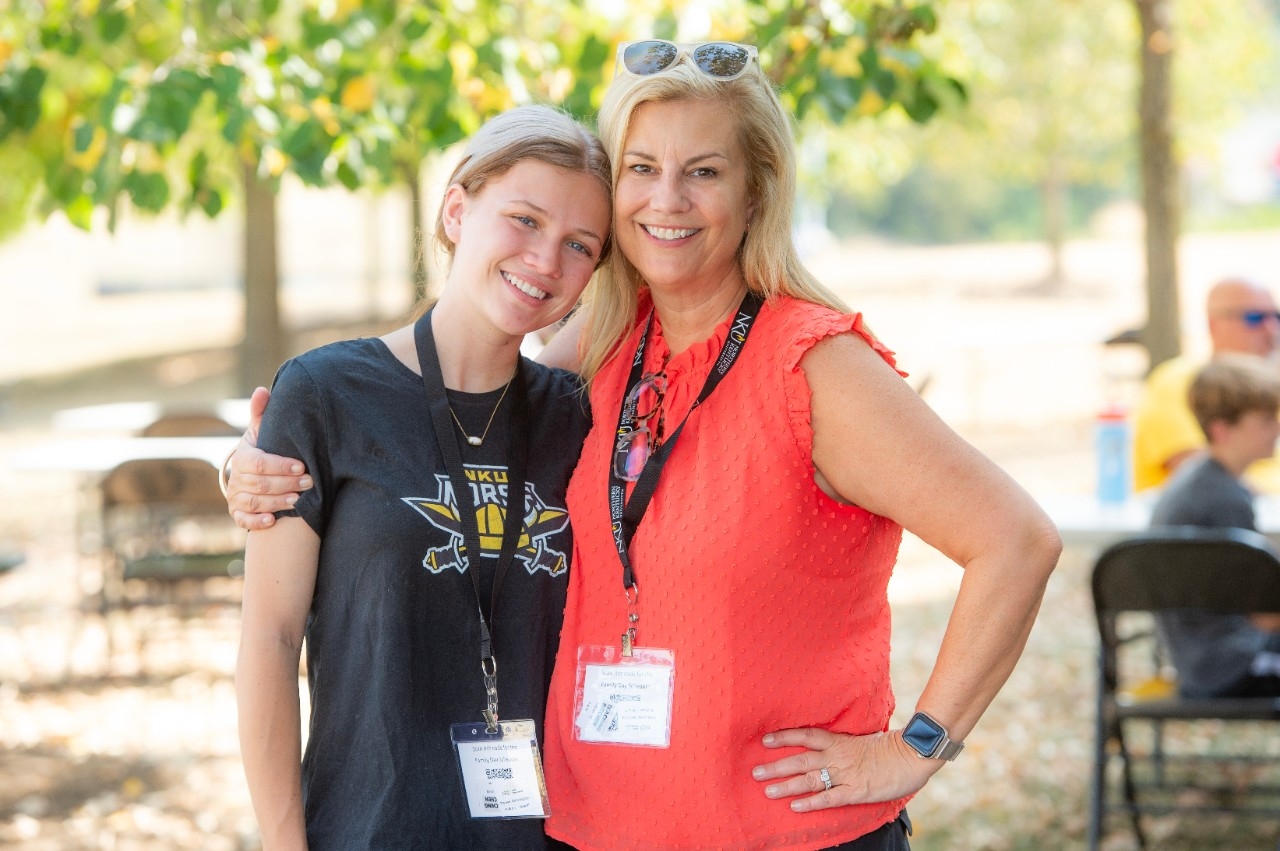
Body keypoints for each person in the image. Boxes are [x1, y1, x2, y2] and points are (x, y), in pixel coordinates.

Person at [228, 39, 1061, 851]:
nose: (667, 199)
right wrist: (252, 466)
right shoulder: (601, 359)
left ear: (756, 192)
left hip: (777, 834)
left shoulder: (811, 363)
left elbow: (1016, 540)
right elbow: (440, 403)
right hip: (588, 829)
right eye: (642, 169)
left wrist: (914, 746)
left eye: (704, 171)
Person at [233, 104, 611, 850]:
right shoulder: (324, 394)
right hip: (368, 828)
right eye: (525, 219)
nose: (546, 260)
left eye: (579, 244)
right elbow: (268, 640)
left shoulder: (582, 419)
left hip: (552, 836)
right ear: (456, 209)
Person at [1148, 354, 1280, 699]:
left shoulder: (1194, 479)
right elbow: (1265, 613)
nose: (1276, 428)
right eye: (1266, 420)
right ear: (1222, 429)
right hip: (1229, 665)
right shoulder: (1224, 499)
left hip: (1197, 658)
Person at [1132, 276, 1280, 492]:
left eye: (1276, 317)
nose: (1271, 330)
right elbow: (1199, 473)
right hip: (1213, 520)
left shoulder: (1268, 389)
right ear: (1213, 325)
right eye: (1254, 318)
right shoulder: (1179, 381)